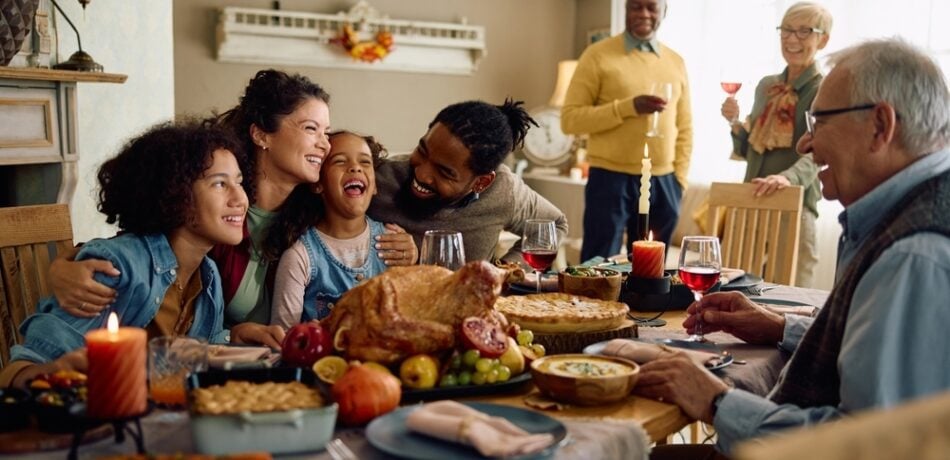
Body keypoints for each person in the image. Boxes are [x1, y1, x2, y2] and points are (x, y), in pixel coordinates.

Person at [638, 38, 950, 457]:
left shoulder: (913, 257)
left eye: (819, 121)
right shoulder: (916, 212)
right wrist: (781, 327)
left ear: (880, 126)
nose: (805, 144)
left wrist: (716, 401)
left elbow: (865, 445)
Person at [45, 70, 417, 347]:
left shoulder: (315, 207)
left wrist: (411, 249)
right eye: (311, 129)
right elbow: (139, 255)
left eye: (326, 132)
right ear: (261, 135)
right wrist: (59, 267)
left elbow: (371, 211)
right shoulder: (213, 212)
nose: (325, 144)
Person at [0, 121, 249, 389]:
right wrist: (57, 370)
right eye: (220, 184)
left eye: (239, 182)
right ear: (175, 193)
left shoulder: (208, 275)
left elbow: (204, 353)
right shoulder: (116, 267)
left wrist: (235, 336)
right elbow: (21, 369)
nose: (241, 198)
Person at [561, 0, 692, 260]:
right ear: (625, 10)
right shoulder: (596, 55)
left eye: (651, 7)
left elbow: (685, 126)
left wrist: (679, 181)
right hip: (610, 178)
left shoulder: (676, 61)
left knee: (651, 274)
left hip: (664, 181)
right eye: (636, 6)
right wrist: (627, 107)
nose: (644, 13)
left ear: (663, 12)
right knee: (598, 267)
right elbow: (571, 120)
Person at [368, 99, 568, 263]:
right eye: (422, 150)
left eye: (444, 172)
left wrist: (504, 272)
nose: (422, 174)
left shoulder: (504, 190)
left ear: (482, 183)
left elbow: (555, 224)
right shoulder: (378, 177)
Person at [721, 2, 831, 288]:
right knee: (737, 287)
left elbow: (820, 151)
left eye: (804, 31)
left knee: (793, 292)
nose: (792, 39)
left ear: (823, 39)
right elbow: (750, 150)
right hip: (753, 197)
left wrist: (786, 178)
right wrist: (735, 123)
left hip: (796, 201)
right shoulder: (765, 86)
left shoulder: (825, 89)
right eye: (786, 30)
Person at [269, 131, 389, 328]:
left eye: (365, 162)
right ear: (318, 184)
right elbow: (283, 339)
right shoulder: (299, 257)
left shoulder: (394, 244)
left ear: (374, 185)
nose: (355, 168)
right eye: (340, 161)